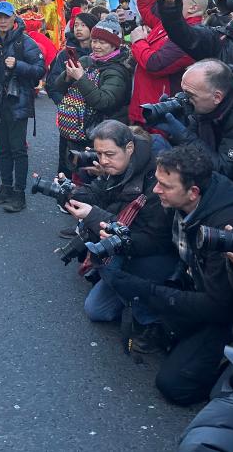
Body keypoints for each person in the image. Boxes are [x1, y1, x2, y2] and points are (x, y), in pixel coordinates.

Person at [99, 145, 233, 405]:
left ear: (193, 192)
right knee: (114, 272)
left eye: (164, 186)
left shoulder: (225, 226)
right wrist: (123, 240)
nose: (155, 190)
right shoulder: (181, 198)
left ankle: (229, 365)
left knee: (173, 385)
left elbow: (218, 306)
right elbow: (161, 241)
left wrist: (146, 291)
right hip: (189, 276)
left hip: (229, 311)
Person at [61, 121, 174, 337]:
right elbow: (100, 194)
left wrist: (93, 216)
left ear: (129, 148)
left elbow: (150, 238)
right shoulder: (121, 164)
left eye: (109, 154)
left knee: (108, 266)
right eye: (99, 153)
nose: (103, 161)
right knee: (96, 310)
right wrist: (68, 193)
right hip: (130, 242)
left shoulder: (156, 177)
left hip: (155, 252)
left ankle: (152, 317)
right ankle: (128, 291)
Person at [159, 59, 233, 206]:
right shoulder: (210, 99)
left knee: (193, 198)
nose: (184, 99)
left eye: (189, 95)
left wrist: (184, 135)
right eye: (182, 92)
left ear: (217, 97)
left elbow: (224, 169)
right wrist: (182, 121)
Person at [0, 0, 46, 212]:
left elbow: (39, 70)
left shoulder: (25, 42)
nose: (3, 21)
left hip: (18, 102)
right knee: (4, 149)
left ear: (14, 17)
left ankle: (19, 194)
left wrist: (18, 65)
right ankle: (5, 188)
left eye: (6, 16)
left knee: (18, 150)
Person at [53, 14, 133, 177]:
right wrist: (68, 76)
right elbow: (58, 86)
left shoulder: (116, 70)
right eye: (95, 41)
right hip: (78, 129)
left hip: (101, 131)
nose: (96, 46)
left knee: (91, 176)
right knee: (73, 173)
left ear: (114, 45)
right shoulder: (87, 60)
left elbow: (104, 102)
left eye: (102, 42)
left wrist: (81, 78)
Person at [129, 0, 204, 126]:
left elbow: (156, 64)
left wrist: (139, 41)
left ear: (193, 8)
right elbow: (146, 6)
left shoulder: (191, 34)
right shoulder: (169, 22)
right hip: (145, 107)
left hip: (159, 114)